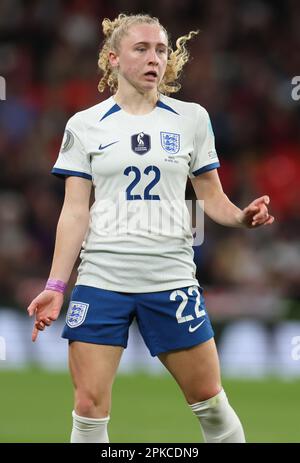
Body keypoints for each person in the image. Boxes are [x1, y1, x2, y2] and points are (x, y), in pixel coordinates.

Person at [27, 13, 274, 443]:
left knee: (210, 402)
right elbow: (74, 211)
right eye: (141, 49)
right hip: (102, 280)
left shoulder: (191, 119)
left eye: (160, 49)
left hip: (170, 278)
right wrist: (56, 284)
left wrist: (240, 216)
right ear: (113, 59)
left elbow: (210, 197)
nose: (153, 58)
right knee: (88, 407)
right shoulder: (84, 125)